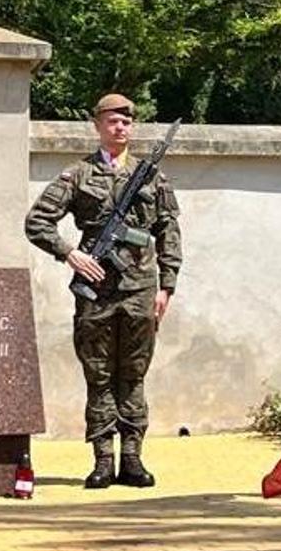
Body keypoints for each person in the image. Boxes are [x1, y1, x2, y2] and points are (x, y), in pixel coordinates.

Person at [24, 93, 181, 489]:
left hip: (141, 289)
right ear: (97, 125)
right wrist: (71, 255)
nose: (120, 127)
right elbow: (37, 222)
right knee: (98, 373)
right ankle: (102, 460)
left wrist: (167, 285)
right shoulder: (77, 175)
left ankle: (132, 458)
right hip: (96, 291)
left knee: (134, 372)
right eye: (112, 121)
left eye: (127, 122)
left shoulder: (151, 177)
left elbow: (168, 231)